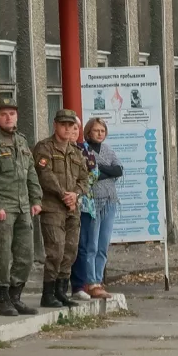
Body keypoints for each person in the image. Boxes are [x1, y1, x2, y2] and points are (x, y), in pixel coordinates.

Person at [0, 100, 41, 316]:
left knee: (26, 254)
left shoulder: (22, 141)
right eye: (3, 114)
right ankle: (3, 299)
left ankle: (16, 296)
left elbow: (30, 171)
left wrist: (36, 199)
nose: (8, 117)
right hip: (3, 205)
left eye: (12, 113)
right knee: (3, 254)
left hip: (23, 206)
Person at [33, 109, 92, 309]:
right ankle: (48, 293)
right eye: (63, 125)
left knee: (70, 251)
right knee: (55, 250)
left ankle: (61, 291)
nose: (67, 129)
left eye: (71, 126)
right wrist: (63, 194)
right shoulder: (45, 148)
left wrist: (75, 193)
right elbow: (45, 174)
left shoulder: (75, 152)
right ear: (55, 125)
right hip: (52, 207)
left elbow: (85, 178)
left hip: (72, 207)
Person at [72, 117, 120, 301]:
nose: (99, 134)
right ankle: (90, 282)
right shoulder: (83, 149)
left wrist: (101, 169)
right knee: (90, 244)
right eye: (96, 130)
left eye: (102, 130)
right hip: (91, 203)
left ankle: (99, 280)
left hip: (110, 200)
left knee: (103, 244)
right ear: (88, 132)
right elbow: (89, 174)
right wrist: (103, 171)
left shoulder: (108, 149)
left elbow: (119, 170)